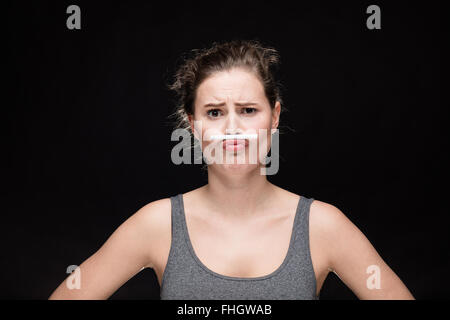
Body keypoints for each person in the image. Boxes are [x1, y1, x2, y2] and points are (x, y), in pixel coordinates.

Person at [49, 39, 414, 300]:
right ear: (192, 125)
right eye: (214, 112)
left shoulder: (324, 225)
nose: (233, 128)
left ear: (275, 116)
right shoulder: (156, 224)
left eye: (248, 110)